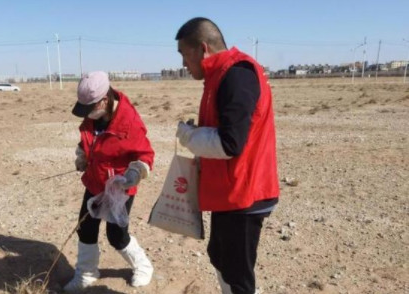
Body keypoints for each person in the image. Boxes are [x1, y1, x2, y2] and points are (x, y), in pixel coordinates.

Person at [175, 18, 280, 294]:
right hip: (229, 190)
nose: (184, 64)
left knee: (237, 275)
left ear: (203, 48)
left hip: (246, 192)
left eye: (185, 55)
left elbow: (230, 143)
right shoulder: (217, 75)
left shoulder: (237, 74)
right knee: (219, 256)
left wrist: (189, 138)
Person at [64, 71, 155, 292]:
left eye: (90, 109)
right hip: (95, 182)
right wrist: (82, 157)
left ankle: (143, 266)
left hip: (119, 188)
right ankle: (86, 273)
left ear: (104, 100)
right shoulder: (92, 116)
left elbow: (145, 155)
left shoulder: (129, 122)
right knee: (85, 228)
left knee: (116, 235)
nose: (88, 114)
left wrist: (135, 173)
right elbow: (86, 141)